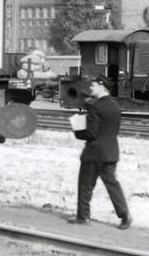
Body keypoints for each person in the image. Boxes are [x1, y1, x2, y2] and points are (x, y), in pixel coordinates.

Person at [68, 75, 132, 229]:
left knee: (85, 186)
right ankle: (125, 215)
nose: (90, 88)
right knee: (112, 185)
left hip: (94, 153)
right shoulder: (115, 106)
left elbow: (91, 133)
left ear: (102, 87)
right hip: (111, 151)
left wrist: (77, 128)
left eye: (93, 85)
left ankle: (83, 217)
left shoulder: (96, 106)